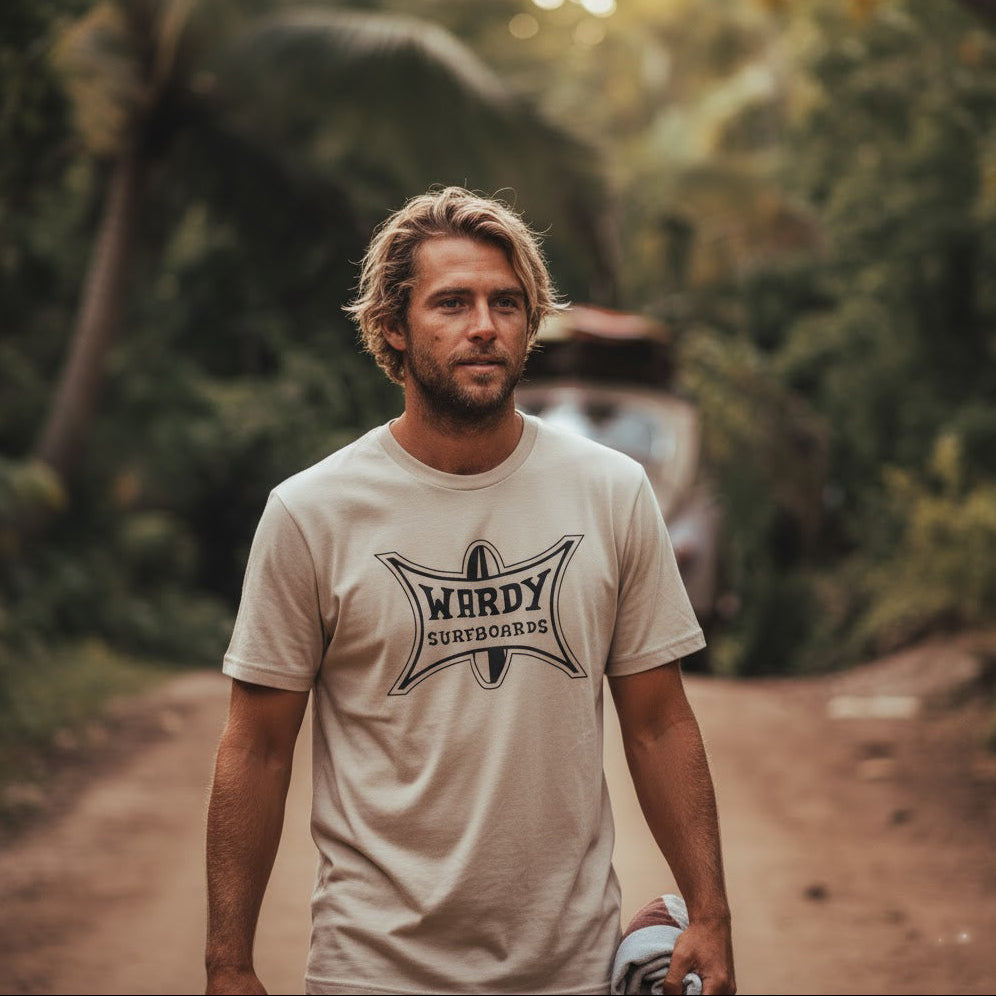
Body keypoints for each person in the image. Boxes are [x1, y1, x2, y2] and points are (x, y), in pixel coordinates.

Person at [204, 186, 736, 996]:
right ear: (392, 324)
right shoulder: (312, 513)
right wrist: (228, 963)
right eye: (452, 303)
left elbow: (659, 723)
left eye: (507, 304)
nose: (484, 326)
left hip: (569, 967)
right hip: (374, 968)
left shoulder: (613, 492)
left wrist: (710, 913)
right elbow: (258, 746)